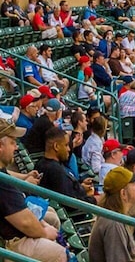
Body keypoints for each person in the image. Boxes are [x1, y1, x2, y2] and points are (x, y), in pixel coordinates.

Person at [0, 110, 62, 262]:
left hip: (14, 231)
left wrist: (25, 177)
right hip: (11, 242)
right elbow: (25, 223)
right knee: (61, 254)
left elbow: (9, 175)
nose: (16, 147)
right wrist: (45, 232)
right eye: (13, 142)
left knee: (51, 220)